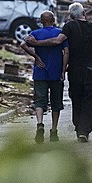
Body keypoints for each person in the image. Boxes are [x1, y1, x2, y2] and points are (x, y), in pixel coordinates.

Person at [25, 2, 92, 143]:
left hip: (74, 70)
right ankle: (84, 131)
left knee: (77, 98)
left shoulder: (69, 26)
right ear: (84, 12)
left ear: (71, 15)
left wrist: (37, 44)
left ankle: (78, 127)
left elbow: (57, 41)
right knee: (90, 99)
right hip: (91, 69)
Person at [21, 11, 69, 144]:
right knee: (56, 102)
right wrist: (63, 70)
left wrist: (36, 57)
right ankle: (54, 131)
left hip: (40, 71)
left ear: (41, 21)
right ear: (53, 20)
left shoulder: (35, 34)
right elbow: (66, 52)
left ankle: (40, 123)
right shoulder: (60, 33)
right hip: (56, 71)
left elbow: (23, 45)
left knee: (40, 100)